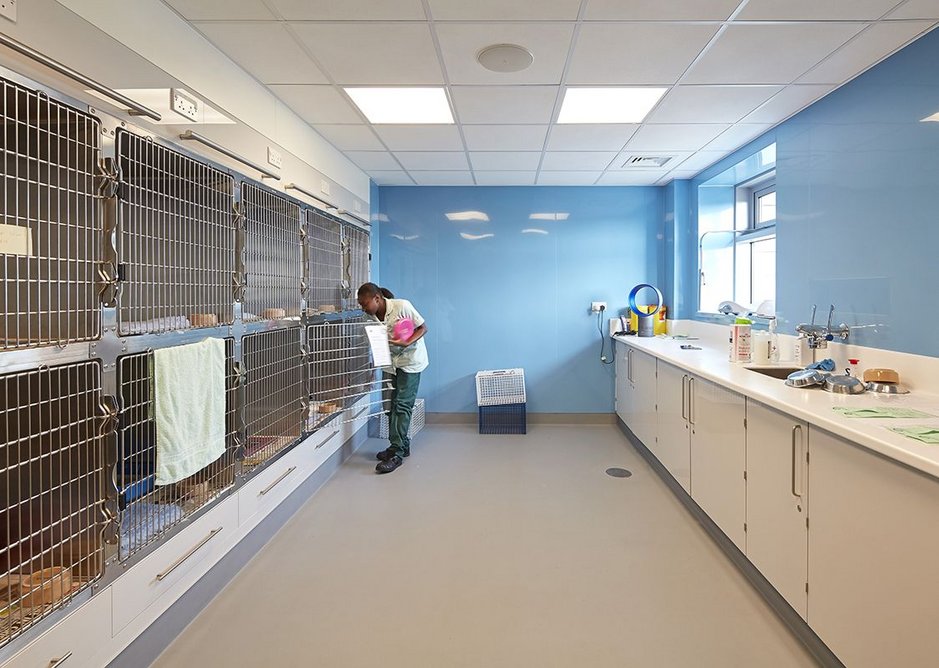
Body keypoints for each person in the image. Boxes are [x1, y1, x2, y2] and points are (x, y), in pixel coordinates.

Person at [357, 283, 428, 474]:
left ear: (377, 299)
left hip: (409, 362)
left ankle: (397, 452)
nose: (363, 308)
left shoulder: (402, 306)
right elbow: (373, 343)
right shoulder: (369, 317)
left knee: (403, 405)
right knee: (389, 405)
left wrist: (406, 341)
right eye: (361, 305)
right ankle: (401, 445)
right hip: (389, 363)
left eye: (365, 304)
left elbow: (422, 328)